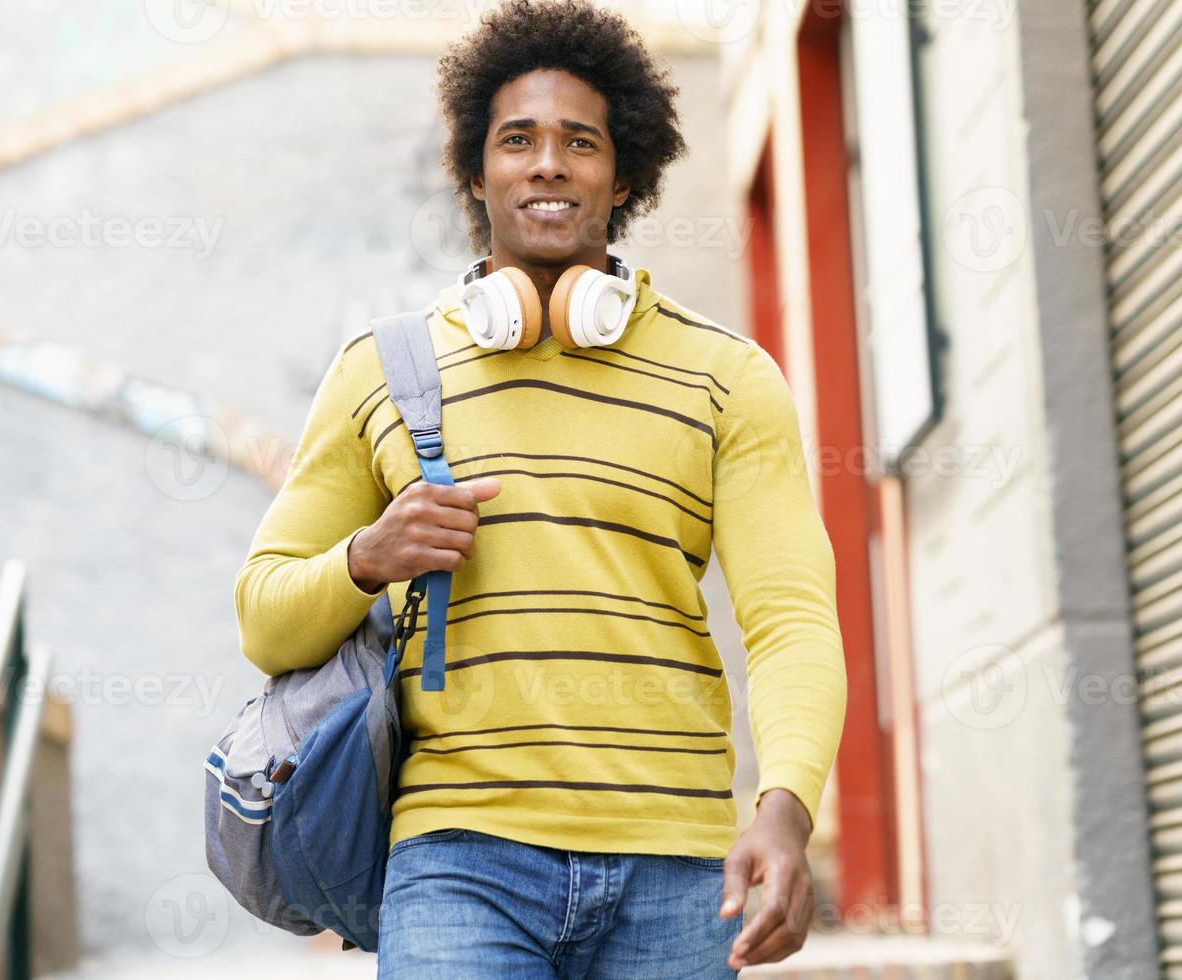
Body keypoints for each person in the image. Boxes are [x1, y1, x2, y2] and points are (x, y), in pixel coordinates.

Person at [234, 0, 848, 975]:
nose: (549, 162)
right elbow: (264, 617)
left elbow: (791, 622)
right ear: (477, 170)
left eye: (581, 141)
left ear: (627, 171)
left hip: (680, 867)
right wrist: (368, 556)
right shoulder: (381, 372)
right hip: (456, 862)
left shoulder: (729, 377)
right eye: (517, 138)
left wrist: (784, 810)